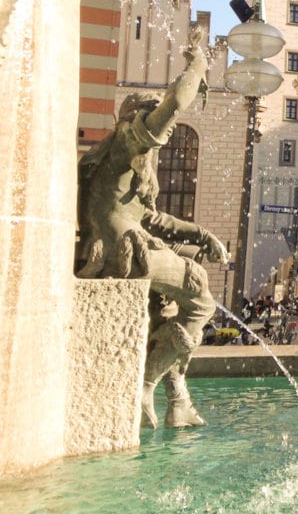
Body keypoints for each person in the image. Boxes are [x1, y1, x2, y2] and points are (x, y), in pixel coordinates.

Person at [76, 26, 228, 429]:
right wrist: (197, 63)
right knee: (199, 293)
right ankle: (146, 382)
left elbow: (151, 218)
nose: (163, 135)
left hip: (121, 246)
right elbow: (177, 101)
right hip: (122, 253)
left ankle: (178, 399)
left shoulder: (114, 163)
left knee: (170, 309)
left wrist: (200, 235)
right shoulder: (130, 144)